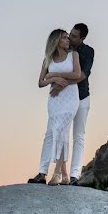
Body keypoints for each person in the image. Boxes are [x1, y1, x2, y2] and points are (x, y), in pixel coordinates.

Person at [28, 29, 81, 185]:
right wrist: (54, 77)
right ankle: (65, 175)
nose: (68, 40)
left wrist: (53, 76)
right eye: (64, 38)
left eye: (67, 38)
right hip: (54, 100)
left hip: (70, 97)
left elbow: (77, 75)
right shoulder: (48, 59)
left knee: (62, 130)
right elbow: (40, 82)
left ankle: (57, 172)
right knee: (57, 132)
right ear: (56, 41)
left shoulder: (73, 55)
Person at [49, 23, 94, 186]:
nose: (70, 38)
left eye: (74, 36)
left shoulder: (88, 52)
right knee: (56, 133)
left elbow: (82, 75)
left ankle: (74, 175)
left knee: (78, 135)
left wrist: (62, 82)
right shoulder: (64, 49)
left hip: (82, 97)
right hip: (63, 99)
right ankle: (52, 172)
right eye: (70, 34)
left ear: (82, 38)